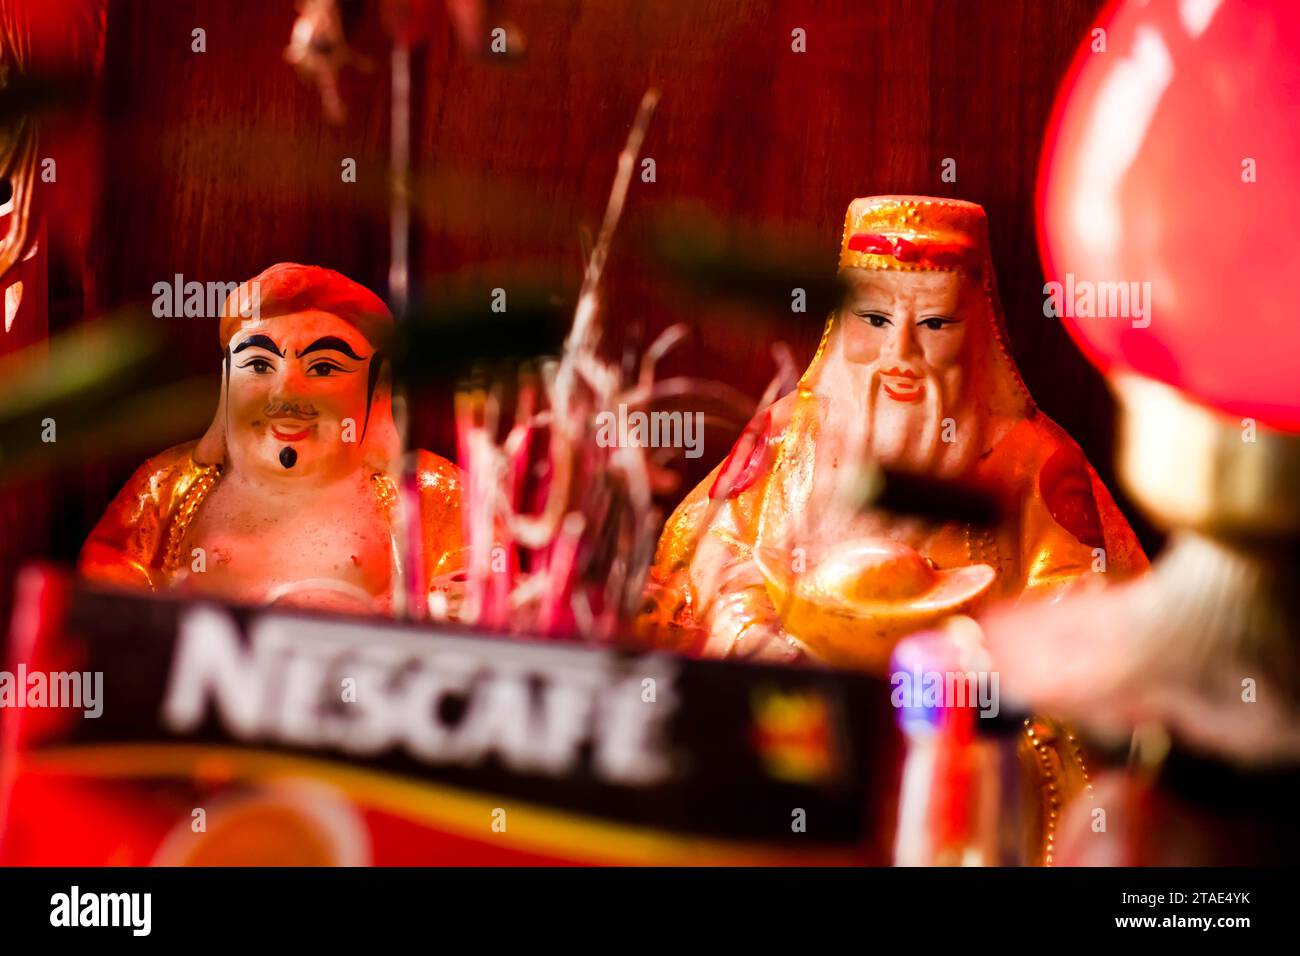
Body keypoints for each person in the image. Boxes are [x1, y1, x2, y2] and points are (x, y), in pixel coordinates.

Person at [645, 197, 1146, 664]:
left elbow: (1079, 591)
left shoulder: (1033, 459)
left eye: (935, 323)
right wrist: (755, 627)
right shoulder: (782, 436)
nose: (901, 352)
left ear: (973, 327)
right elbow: (714, 558)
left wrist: (980, 656)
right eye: (875, 319)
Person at [79, 262, 463, 614]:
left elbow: (477, 574)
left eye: (324, 367)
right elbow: (109, 567)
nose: (285, 394)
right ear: (228, 380)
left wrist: (442, 603)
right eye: (259, 365)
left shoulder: (427, 490)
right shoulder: (168, 483)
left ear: (376, 389)